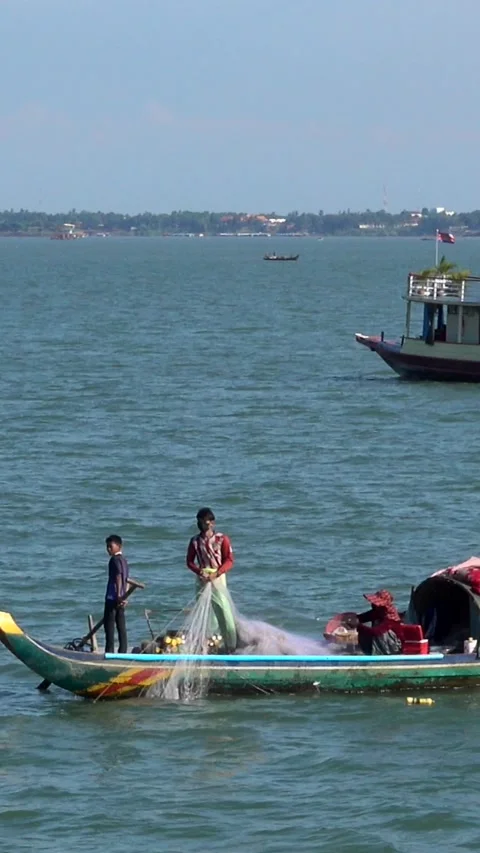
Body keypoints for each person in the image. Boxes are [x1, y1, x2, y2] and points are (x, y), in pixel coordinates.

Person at [186, 507, 236, 651]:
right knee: (205, 612)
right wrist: (199, 572)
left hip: (217, 577)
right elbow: (189, 561)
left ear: (212, 523)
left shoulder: (222, 539)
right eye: (201, 522)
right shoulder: (195, 541)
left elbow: (229, 560)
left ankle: (230, 644)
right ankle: (208, 643)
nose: (205, 525)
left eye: (207, 522)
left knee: (223, 610)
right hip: (202, 578)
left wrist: (217, 573)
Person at [350, 590, 404, 655]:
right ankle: (369, 651)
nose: (373, 605)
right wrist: (348, 619)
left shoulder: (390, 618)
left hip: (395, 646)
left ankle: (382, 654)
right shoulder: (378, 612)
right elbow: (361, 617)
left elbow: (376, 632)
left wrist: (358, 626)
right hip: (384, 643)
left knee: (378, 633)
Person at [104, 534, 129, 654]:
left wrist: (119, 594)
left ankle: (109, 652)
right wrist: (125, 596)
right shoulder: (124, 561)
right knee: (121, 627)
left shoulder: (114, 560)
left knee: (109, 627)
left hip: (112, 598)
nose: (108, 549)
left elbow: (119, 576)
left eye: (110, 546)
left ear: (118, 546)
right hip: (121, 599)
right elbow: (127, 579)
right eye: (107, 547)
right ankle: (122, 652)